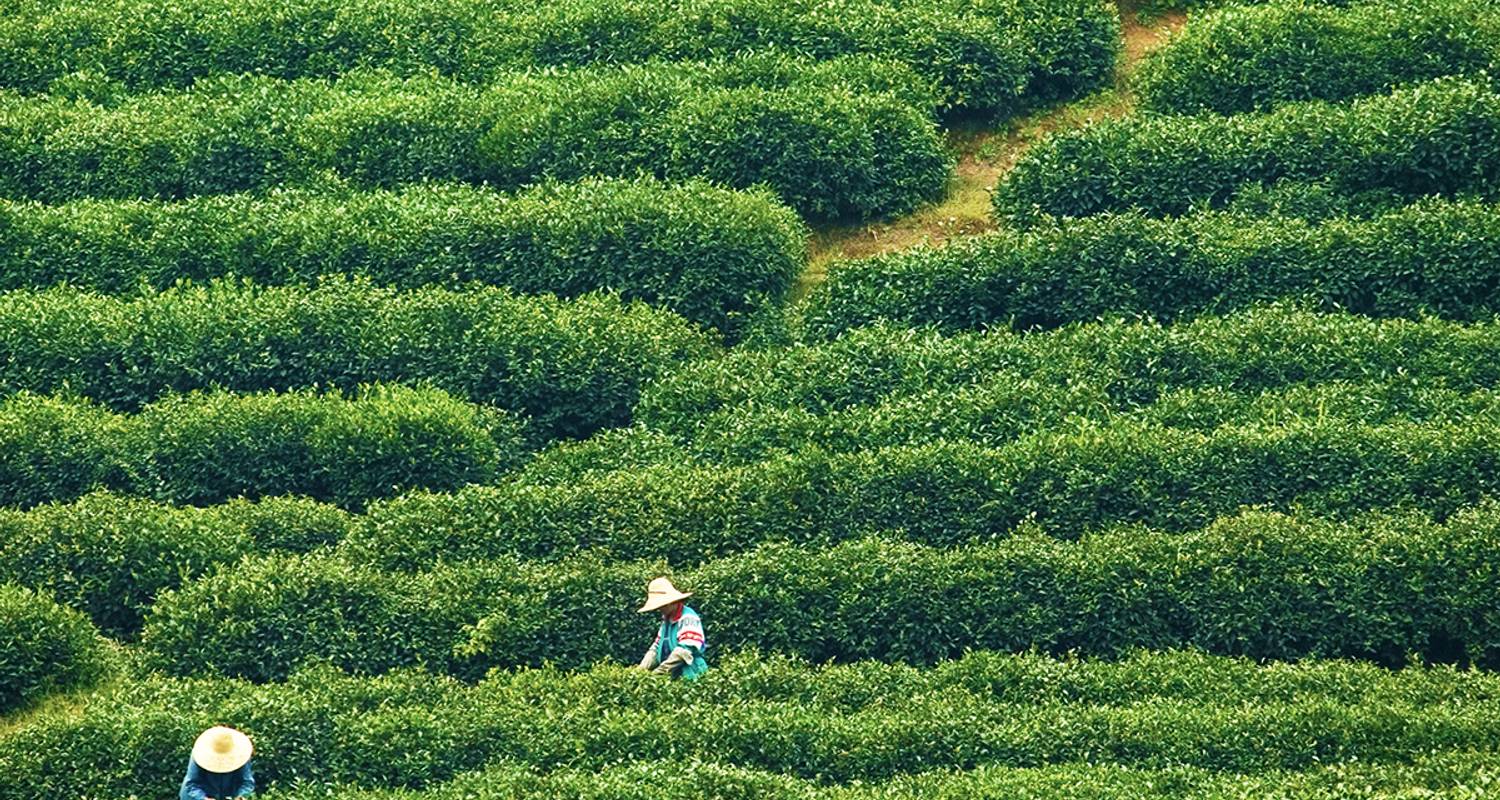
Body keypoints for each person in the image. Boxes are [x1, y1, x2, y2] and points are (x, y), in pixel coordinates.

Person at [635, 577, 708, 681]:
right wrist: (640, 671)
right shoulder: (667, 620)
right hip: (673, 676)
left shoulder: (688, 618)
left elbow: (683, 652)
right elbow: (656, 648)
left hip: (691, 676)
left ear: (671, 602)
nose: (659, 609)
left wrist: (657, 673)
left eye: (662, 605)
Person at [180, 726, 255, 800]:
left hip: (228, 794)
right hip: (196, 795)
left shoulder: (241, 755)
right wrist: (203, 798)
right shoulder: (199, 754)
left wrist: (241, 796)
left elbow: (247, 782)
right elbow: (191, 784)